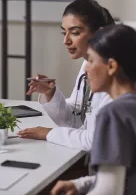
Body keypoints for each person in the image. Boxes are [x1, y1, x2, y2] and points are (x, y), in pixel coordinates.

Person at [17, 0, 115, 151]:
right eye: (64, 32)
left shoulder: (114, 76)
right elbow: (74, 119)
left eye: (75, 32)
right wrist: (50, 94)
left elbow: (95, 140)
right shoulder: (87, 64)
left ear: (99, 33)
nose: (66, 40)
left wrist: (49, 134)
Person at [51, 24, 136, 195]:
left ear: (111, 66)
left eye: (90, 60)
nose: (86, 69)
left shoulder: (114, 113)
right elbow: (124, 176)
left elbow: (110, 190)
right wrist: (82, 184)